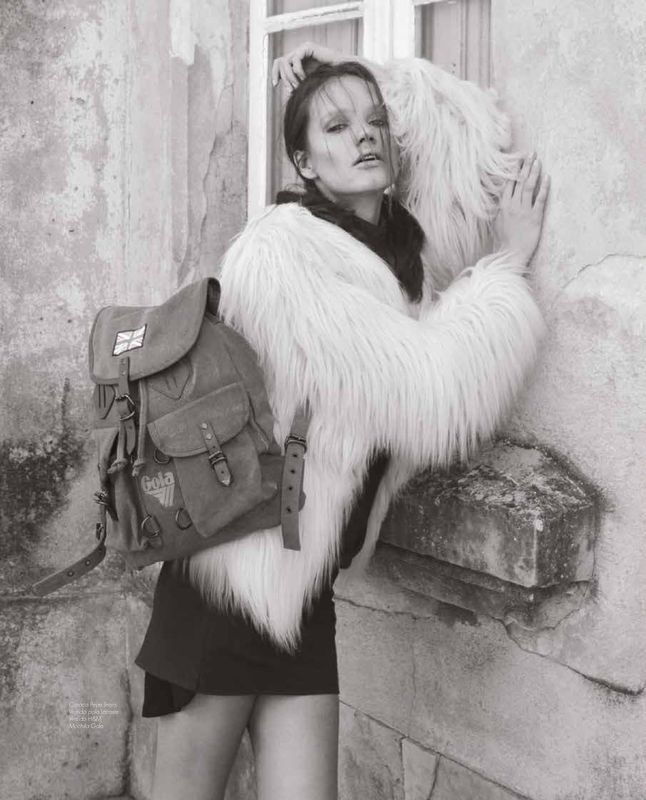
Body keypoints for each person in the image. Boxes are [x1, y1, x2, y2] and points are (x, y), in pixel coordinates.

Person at [135, 43, 549, 800]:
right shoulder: (284, 251)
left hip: (304, 595)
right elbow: (431, 385)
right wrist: (509, 265)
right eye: (335, 127)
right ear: (303, 163)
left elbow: (460, 137)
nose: (364, 135)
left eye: (374, 121)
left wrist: (357, 68)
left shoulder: (398, 254)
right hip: (227, 590)